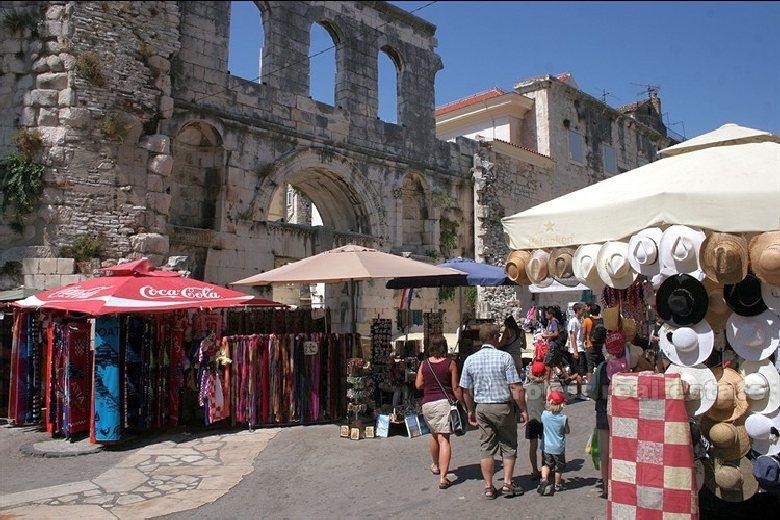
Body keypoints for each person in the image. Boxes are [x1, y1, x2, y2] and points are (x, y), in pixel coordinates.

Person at [460, 324, 530, 499]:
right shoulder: (504, 358)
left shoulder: (470, 360)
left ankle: (489, 487)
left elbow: (466, 390)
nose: (500, 338)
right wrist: (523, 409)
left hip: (482, 407)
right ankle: (507, 483)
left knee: (486, 447)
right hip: (502, 406)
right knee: (508, 444)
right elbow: (515, 387)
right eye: (498, 335)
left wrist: (470, 410)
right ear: (492, 337)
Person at [416, 335, 462, 489]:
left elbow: (418, 385)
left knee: (434, 434)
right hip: (443, 403)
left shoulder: (424, 364)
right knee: (444, 439)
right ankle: (443, 477)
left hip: (427, 403)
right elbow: (455, 387)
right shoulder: (451, 364)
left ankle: (435, 465)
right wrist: (463, 404)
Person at [538, 391, 569, 496]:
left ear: (550, 403)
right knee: (558, 467)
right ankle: (557, 484)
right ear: (562, 405)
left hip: (546, 446)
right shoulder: (563, 418)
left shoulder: (545, 415)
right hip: (558, 447)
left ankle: (544, 479)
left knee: (546, 464)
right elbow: (567, 431)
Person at [524, 360, 548, 480]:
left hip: (531, 420)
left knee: (532, 446)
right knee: (544, 446)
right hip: (543, 420)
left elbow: (526, 401)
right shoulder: (545, 387)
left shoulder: (528, 388)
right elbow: (548, 402)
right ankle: (545, 469)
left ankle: (534, 470)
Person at [565, 303, 587, 400]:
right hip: (576, 348)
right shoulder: (573, 321)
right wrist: (575, 350)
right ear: (577, 310)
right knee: (579, 372)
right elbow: (572, 336)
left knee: (580, 372)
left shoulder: (580, 320)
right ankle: (568, 381)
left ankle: (578, 391)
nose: (584, 311)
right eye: (582, 310)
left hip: (581, 347)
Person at [582, 304, 606, 380]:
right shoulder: (603, 320)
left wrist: (584, 342)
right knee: (601, 366)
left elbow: (584, 333)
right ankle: (601, 384)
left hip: (590, 346)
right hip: (599, 346)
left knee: (590, 368)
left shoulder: (587, 320)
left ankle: (590, 387)